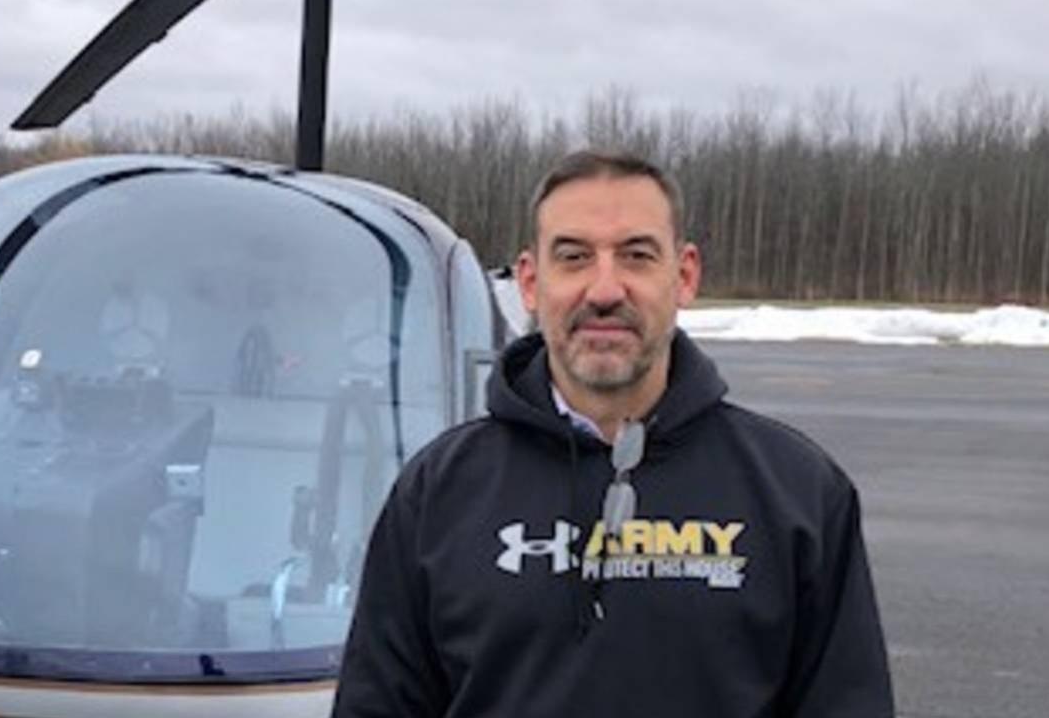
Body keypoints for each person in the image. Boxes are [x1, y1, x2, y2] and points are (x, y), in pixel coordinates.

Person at [332, 150, 895, 717]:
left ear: (684, 275)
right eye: (574, 257)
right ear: (530, 282)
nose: (604, 290)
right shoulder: (438, 494)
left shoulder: (798, 493)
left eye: (636, 256)